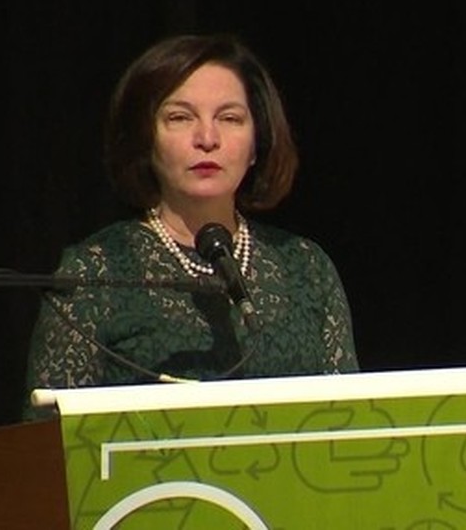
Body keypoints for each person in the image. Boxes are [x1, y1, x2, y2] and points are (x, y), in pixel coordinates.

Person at [22, 34, 359, 419]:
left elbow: (345, 423)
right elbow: (44, 442)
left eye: (229, 119)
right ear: (145, 138)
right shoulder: (94, 272)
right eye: (180, 118)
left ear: (257, 143)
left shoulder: (306, 267)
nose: (207, 139)